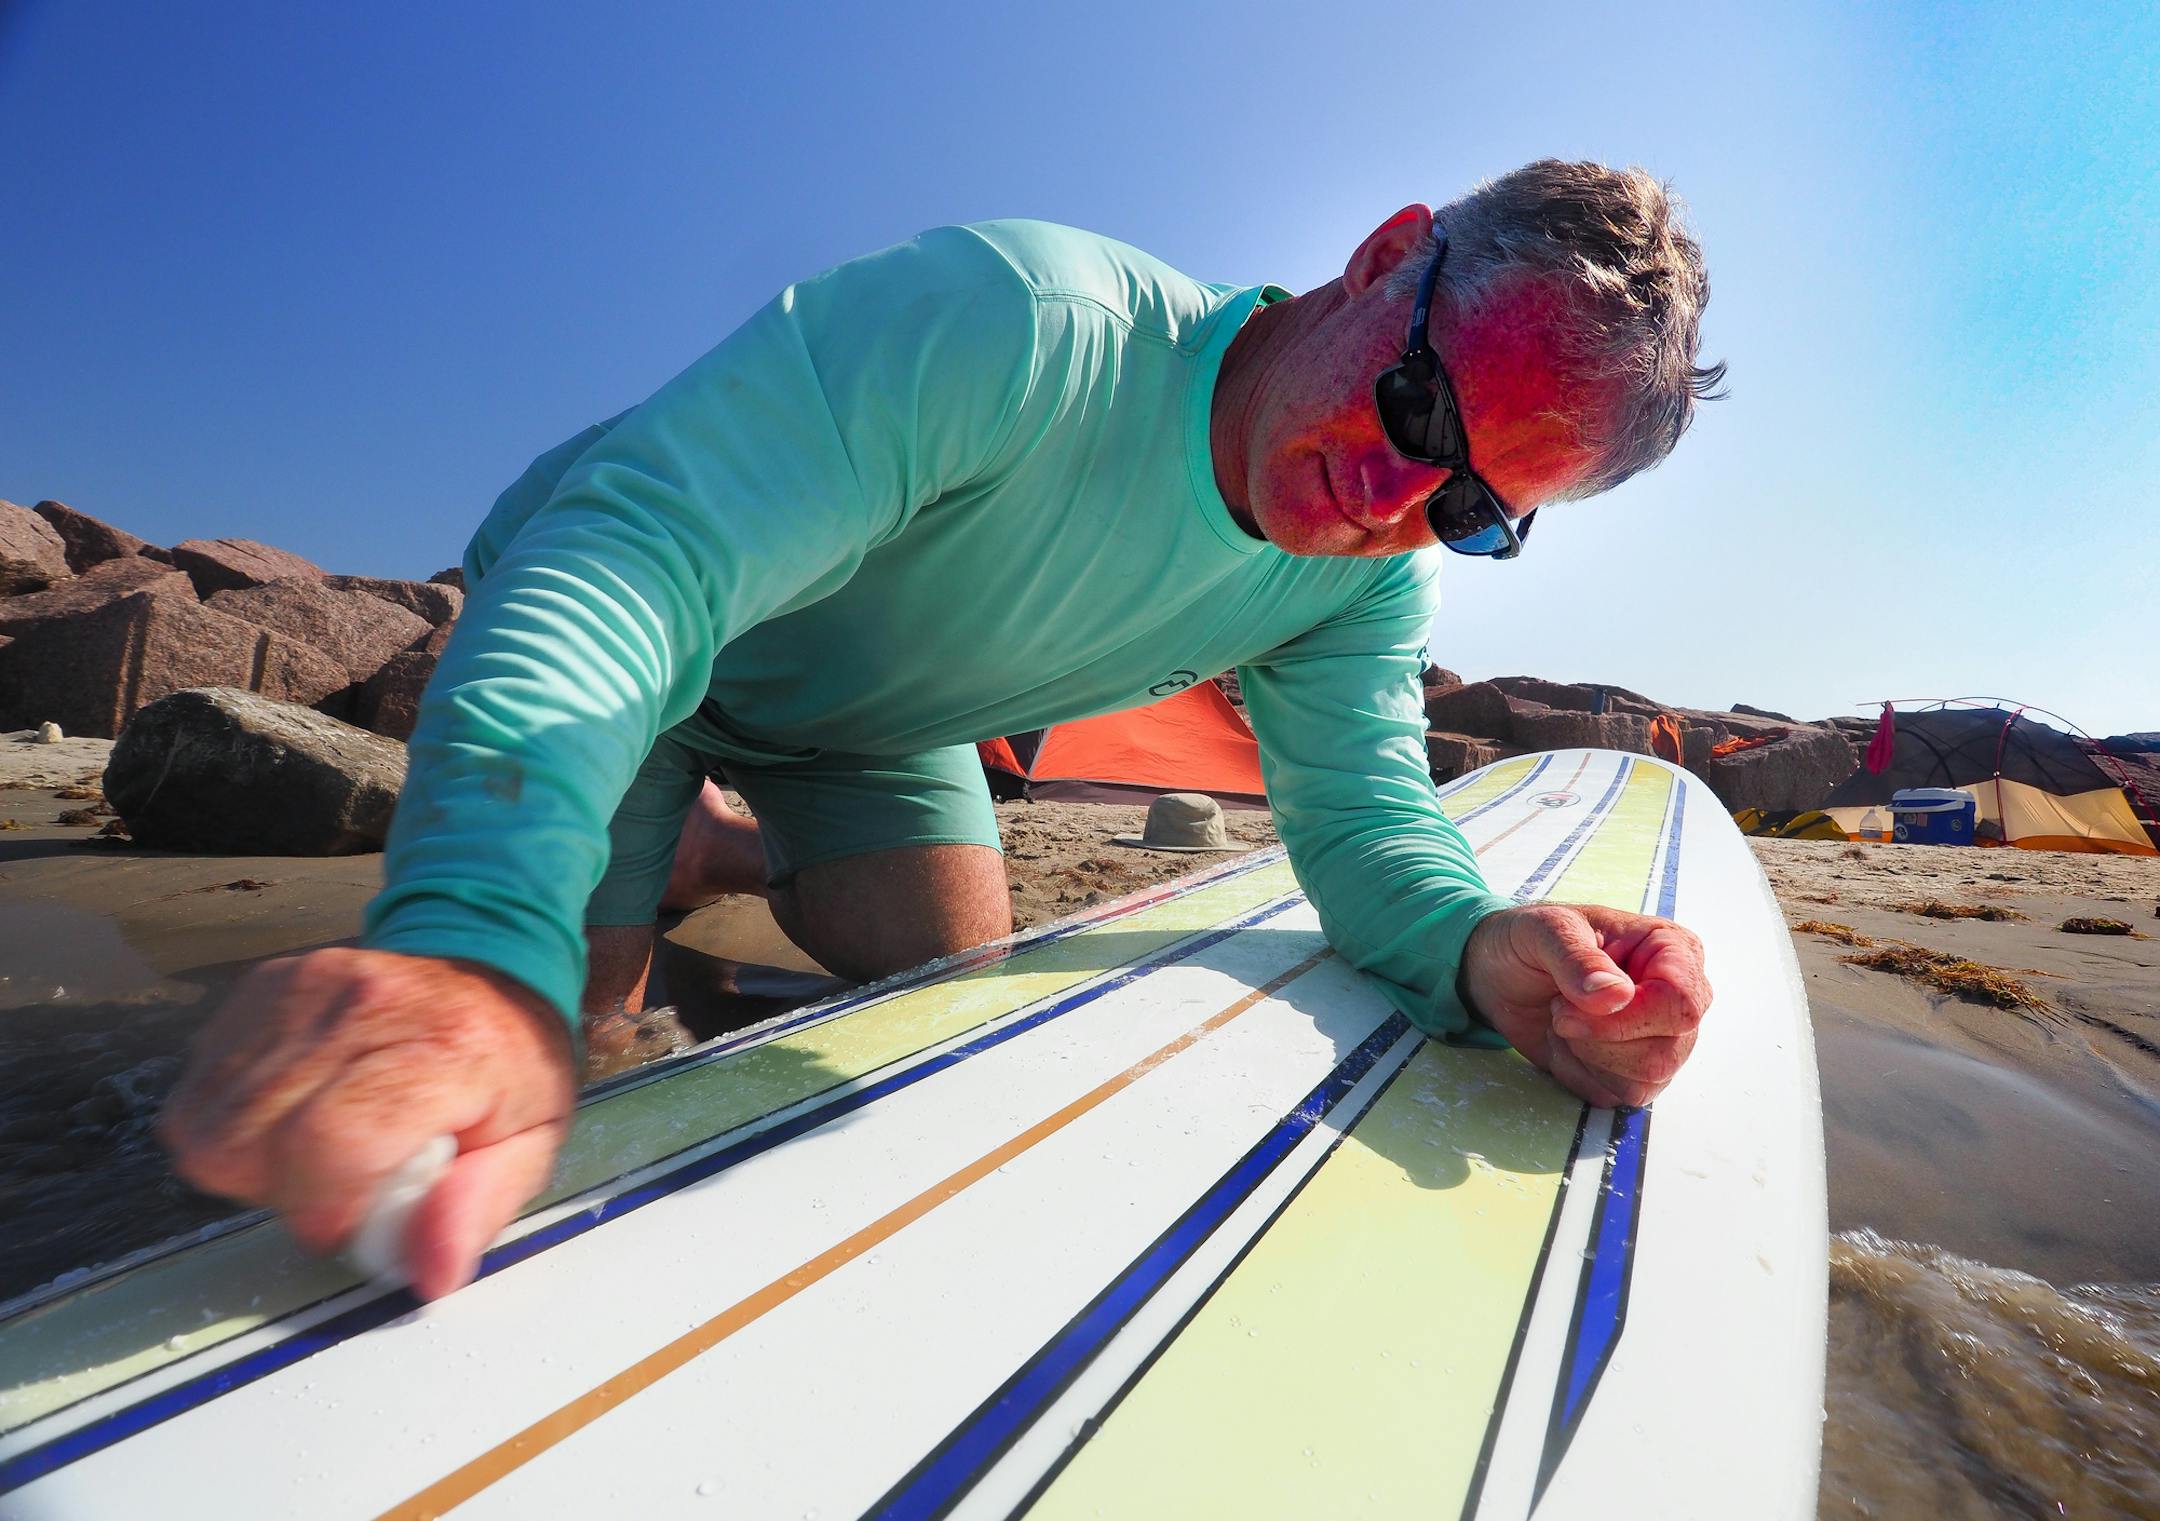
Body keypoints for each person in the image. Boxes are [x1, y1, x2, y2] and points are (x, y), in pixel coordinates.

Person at [163, 159, 1723, 1301]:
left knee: (950, 984)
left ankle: (718, 845)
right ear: (1385, 257)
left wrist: (1482, 947)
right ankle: (615, 852)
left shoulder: (1359, 589)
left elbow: (1368, 821)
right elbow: (636, 565)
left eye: (1468, 503)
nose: (1391, 495)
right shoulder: (1027, 325)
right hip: (638, 630)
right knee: (560, 1064)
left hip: (866, 724)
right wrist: (470, 935)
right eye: (1419, 410)